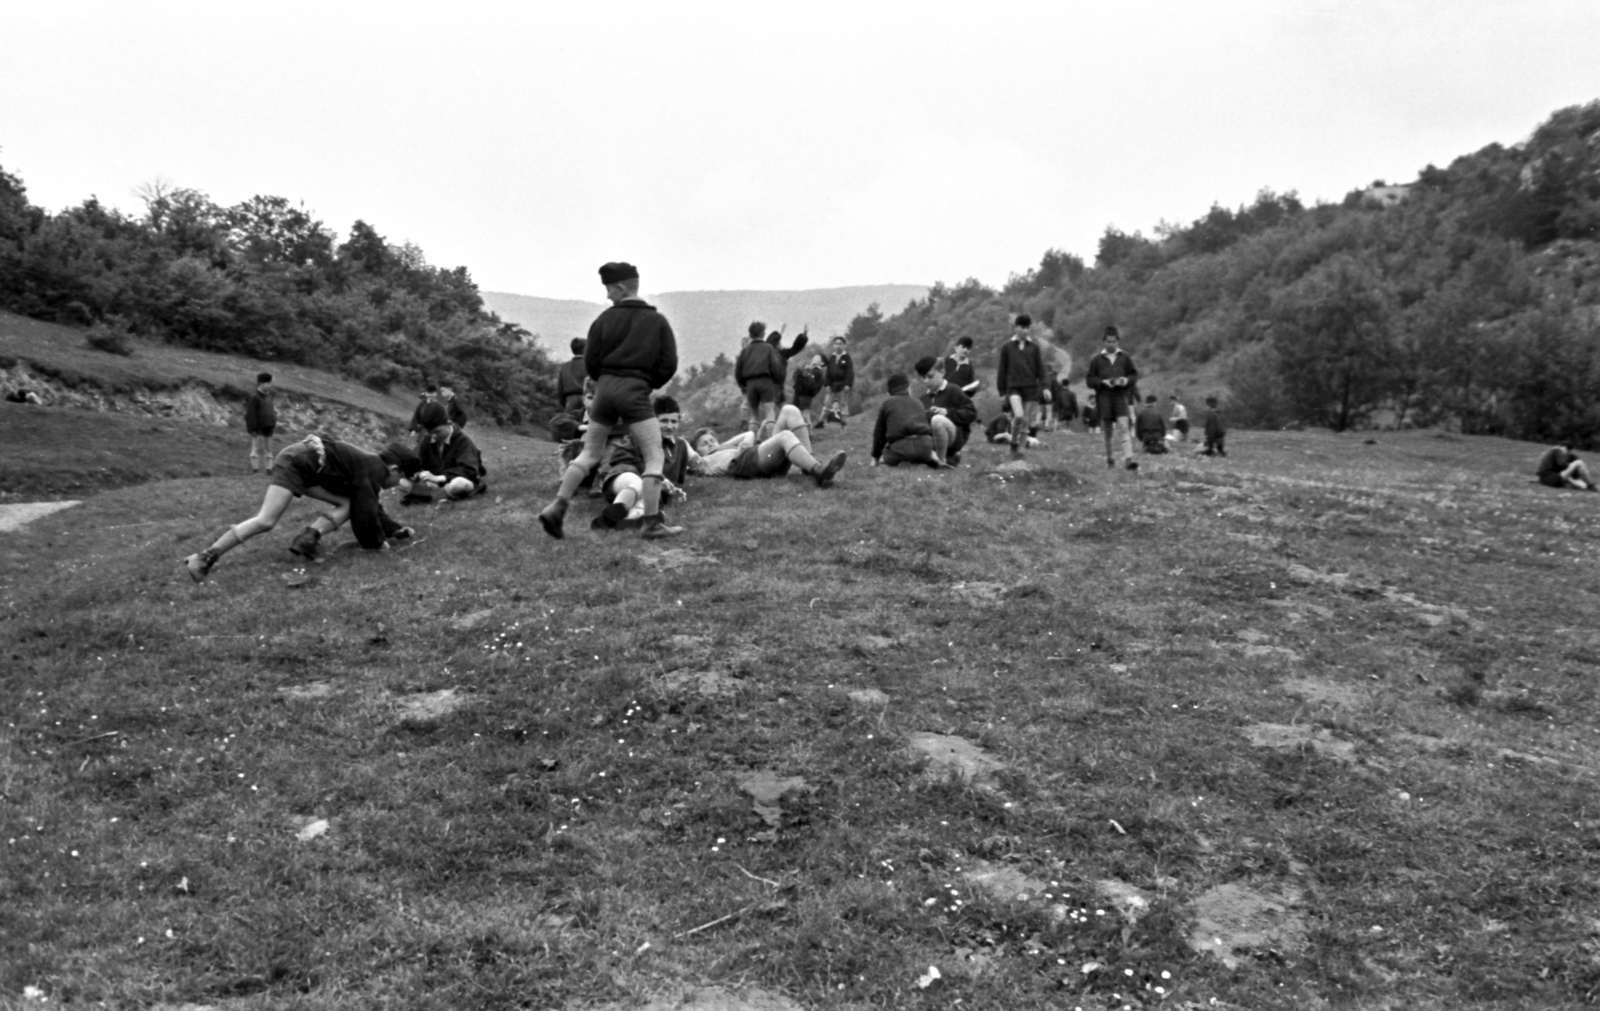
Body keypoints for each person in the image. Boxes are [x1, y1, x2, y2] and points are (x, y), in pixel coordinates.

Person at [538, 261, 681, 540]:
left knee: (588, 453)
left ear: (621, 287)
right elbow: (669, 363)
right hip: (635, 390)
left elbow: (591, 362)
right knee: (654, 456)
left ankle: (557, 507)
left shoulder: (602, 321)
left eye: (609, 290)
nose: (607, 296)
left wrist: (605, 383)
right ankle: (652, 524)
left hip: (604, 389)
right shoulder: (658, 321)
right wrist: (647, 384)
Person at [183, 436, 421, 582]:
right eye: (401, 478)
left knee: (348, 503)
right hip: (297, 463)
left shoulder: (372, 466)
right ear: (395, 468)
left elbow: (367, 505)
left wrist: (394, 530)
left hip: (309, 465)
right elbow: (366, 515)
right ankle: (205, 557)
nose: (396, 485)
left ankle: (308, 538)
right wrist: (379, 545)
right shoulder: (375, 470)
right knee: (266, 521)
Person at [592, 395, 695, 530]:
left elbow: (677, 480)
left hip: (651, 491)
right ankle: (611, 515)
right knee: (643, 483)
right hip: (624, 480)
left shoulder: (681, 446)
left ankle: (628, 520)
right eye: (664, 421)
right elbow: (619, 455)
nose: (670, 426)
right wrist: (655, 476)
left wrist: (673, 491)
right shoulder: (639, 437)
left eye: (674, 421)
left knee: (649, 499)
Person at [688, 406, 846, 486]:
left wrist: (733, 444)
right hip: (745, 464)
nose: (709, 444)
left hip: (755, 455)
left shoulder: (725, 447)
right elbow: (686, 453)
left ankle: (808, 466)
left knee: (789, 410)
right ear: (697, 451)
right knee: (785, 436)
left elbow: (749, 434)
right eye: (703, 443)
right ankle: (818, 471)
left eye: (711, 440)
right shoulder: (703, 463)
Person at [405, 402, 489, 502]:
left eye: (437, 432)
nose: (434, 436)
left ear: (449, 423)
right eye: (430, 433)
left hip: (455, 480)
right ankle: (440, 494)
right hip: (433, 483)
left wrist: (438, 478)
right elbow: (416, 460)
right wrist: (416, 473)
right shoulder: (428, 439)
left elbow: (469, 470)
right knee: (403, 482)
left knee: (459, 484)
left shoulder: (463, 440)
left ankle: (432, 495)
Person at [995, 314, 1049, 456]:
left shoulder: (1034, 348)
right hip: (1013, 387)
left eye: (1027, 328)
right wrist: (1001, 392)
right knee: (1018, 416)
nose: (1025, 331)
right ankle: (1013, 442)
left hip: (1031, 388)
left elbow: (1041, 369)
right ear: (1016, 328)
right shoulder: (1007, 348)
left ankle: (1021, 451)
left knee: (1025, 421)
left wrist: (1045, 387)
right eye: (1022, 327)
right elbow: (1002, 370)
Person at [1085, 325, 1139, 470]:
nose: (1111, 344)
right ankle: (1110, 459)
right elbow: (1089, 380)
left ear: (1118, 342)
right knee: (1108, 430)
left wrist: (1126, 381)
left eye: (1113, 342)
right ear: (1104, 342)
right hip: (1104, 398)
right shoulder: (1097, 360)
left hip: (1120, 396)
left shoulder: (1125, 358)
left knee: (1123, 427)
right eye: (1108, 342)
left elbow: (1134, 375)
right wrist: (1102, 382)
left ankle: (1129, 459)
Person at [914, 356, 977, 466]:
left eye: (930, 376)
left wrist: (947, 412)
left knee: (937, 420)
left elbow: (972, 413)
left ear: (942, 372)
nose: (926, 381)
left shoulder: (953, 390)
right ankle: (947, 458)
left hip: (955, 437)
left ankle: (941, 460)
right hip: (932, 439)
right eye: (923, 377)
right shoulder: (923, 398)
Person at [871, 374, 940, 468]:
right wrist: (932, 449)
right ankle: (929, 459)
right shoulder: (918, 402)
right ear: (908, 388)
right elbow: (929, 428)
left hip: (900, 449)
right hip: (924, 446)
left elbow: (879, 434)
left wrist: (875, 456)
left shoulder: (887, 404)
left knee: (884, 461)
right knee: (924, 451)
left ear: (890, 392)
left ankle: (902, 462)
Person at [735, 321, 786, 437]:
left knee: (754, 415)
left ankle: (752, 444)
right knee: (770, 413)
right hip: (766, 382)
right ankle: (772, 442)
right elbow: (775, 366)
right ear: (763, 333)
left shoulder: (744, 351)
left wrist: (743, 385)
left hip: (750, 384)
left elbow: (738, 371)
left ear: (750, 334)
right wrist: (778, 380)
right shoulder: (768, 348)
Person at [244, 372, 277, 475]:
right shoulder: (255, 398)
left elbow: (271, 410)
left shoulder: (269, 397)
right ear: (261, 383)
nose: (269, 385)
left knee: (269, 450)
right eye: (267, 383)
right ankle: (255, 471)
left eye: (270, 383)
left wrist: (273, 420)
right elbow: (251, 414)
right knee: (255, 449)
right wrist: (252, 429)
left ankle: (269, 470)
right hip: (258, 427)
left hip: (269, 426)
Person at [818, 336, 855, 427]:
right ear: (834, 345)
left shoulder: (847, 357)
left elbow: (850, 372)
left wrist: (848, 384)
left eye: (840, 344)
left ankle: (844, 423)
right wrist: (827, 384)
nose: (838, 346)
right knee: (827, 404)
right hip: (832, 385)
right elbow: (828, 371)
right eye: (836, 344)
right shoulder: (832, 357)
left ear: (844, 345)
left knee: (843, 404)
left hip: (843, 385)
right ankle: (821, 422)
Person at [557, 338, 588, 415]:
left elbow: (560, 389)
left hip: (570, 400)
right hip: (587, 399)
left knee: (570, 423)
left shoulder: (564, 366)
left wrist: (565, 404)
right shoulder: (589, 365)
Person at [793, 354, 826, 425]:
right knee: (797, 414)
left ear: (822, 363)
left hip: (806, 395)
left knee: (804, 415)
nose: (815, 358)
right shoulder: (809, 368)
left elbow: (811, 385)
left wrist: (805, 375)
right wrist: (800, 370)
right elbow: (795, 378)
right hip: (799, 393)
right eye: (814, 356)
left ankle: (809, 433)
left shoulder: (817, 372)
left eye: (818, 358)